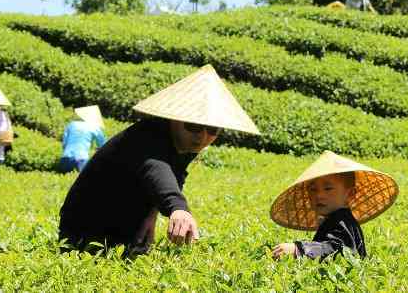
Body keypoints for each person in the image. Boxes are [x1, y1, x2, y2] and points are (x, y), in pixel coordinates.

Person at [58, 64, 260, 257]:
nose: (203, 136)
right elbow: (156, 169)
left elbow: (176, 174)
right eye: (194, 126)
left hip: (123, 222)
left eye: (213, 129)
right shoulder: (147, 137)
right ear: (174, 119)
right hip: (85, 229)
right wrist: (178, 208)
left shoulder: (185, 142)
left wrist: (151, 214)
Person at [270, 150, 398, 261]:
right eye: (313, 190)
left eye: (328, 188)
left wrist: (300, 249)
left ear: (350, 194)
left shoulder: (341, 221)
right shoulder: (333, 219)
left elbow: (338, 249)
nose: (319, 195)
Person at [59, 105, 107, 173]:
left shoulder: (71, 124)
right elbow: (104, 146)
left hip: (65, 159)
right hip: (81, 159)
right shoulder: (95, 127)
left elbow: (64, 145)